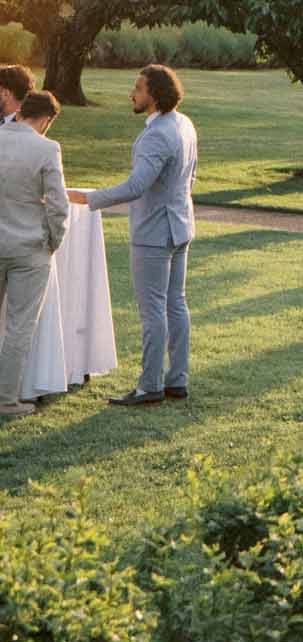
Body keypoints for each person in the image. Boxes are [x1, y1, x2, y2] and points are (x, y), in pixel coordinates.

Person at [71, 64, 196, 409]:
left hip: (155, 233)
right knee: (176, 303)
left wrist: (89, 198)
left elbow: (137, 186)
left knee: (154, 309)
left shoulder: (157, 134)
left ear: (154, 95)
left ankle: (149, 386)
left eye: (138, 88)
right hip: (180, 226)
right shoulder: (184, 124)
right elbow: (190, 178)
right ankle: (177, 381)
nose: (132, 93)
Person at [0, 91, 68, 419]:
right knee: (19, 326)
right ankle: (6, 399)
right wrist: (54, 240)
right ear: (46, 120)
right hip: (29, 247)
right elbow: (58, 205)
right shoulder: (47, 148)